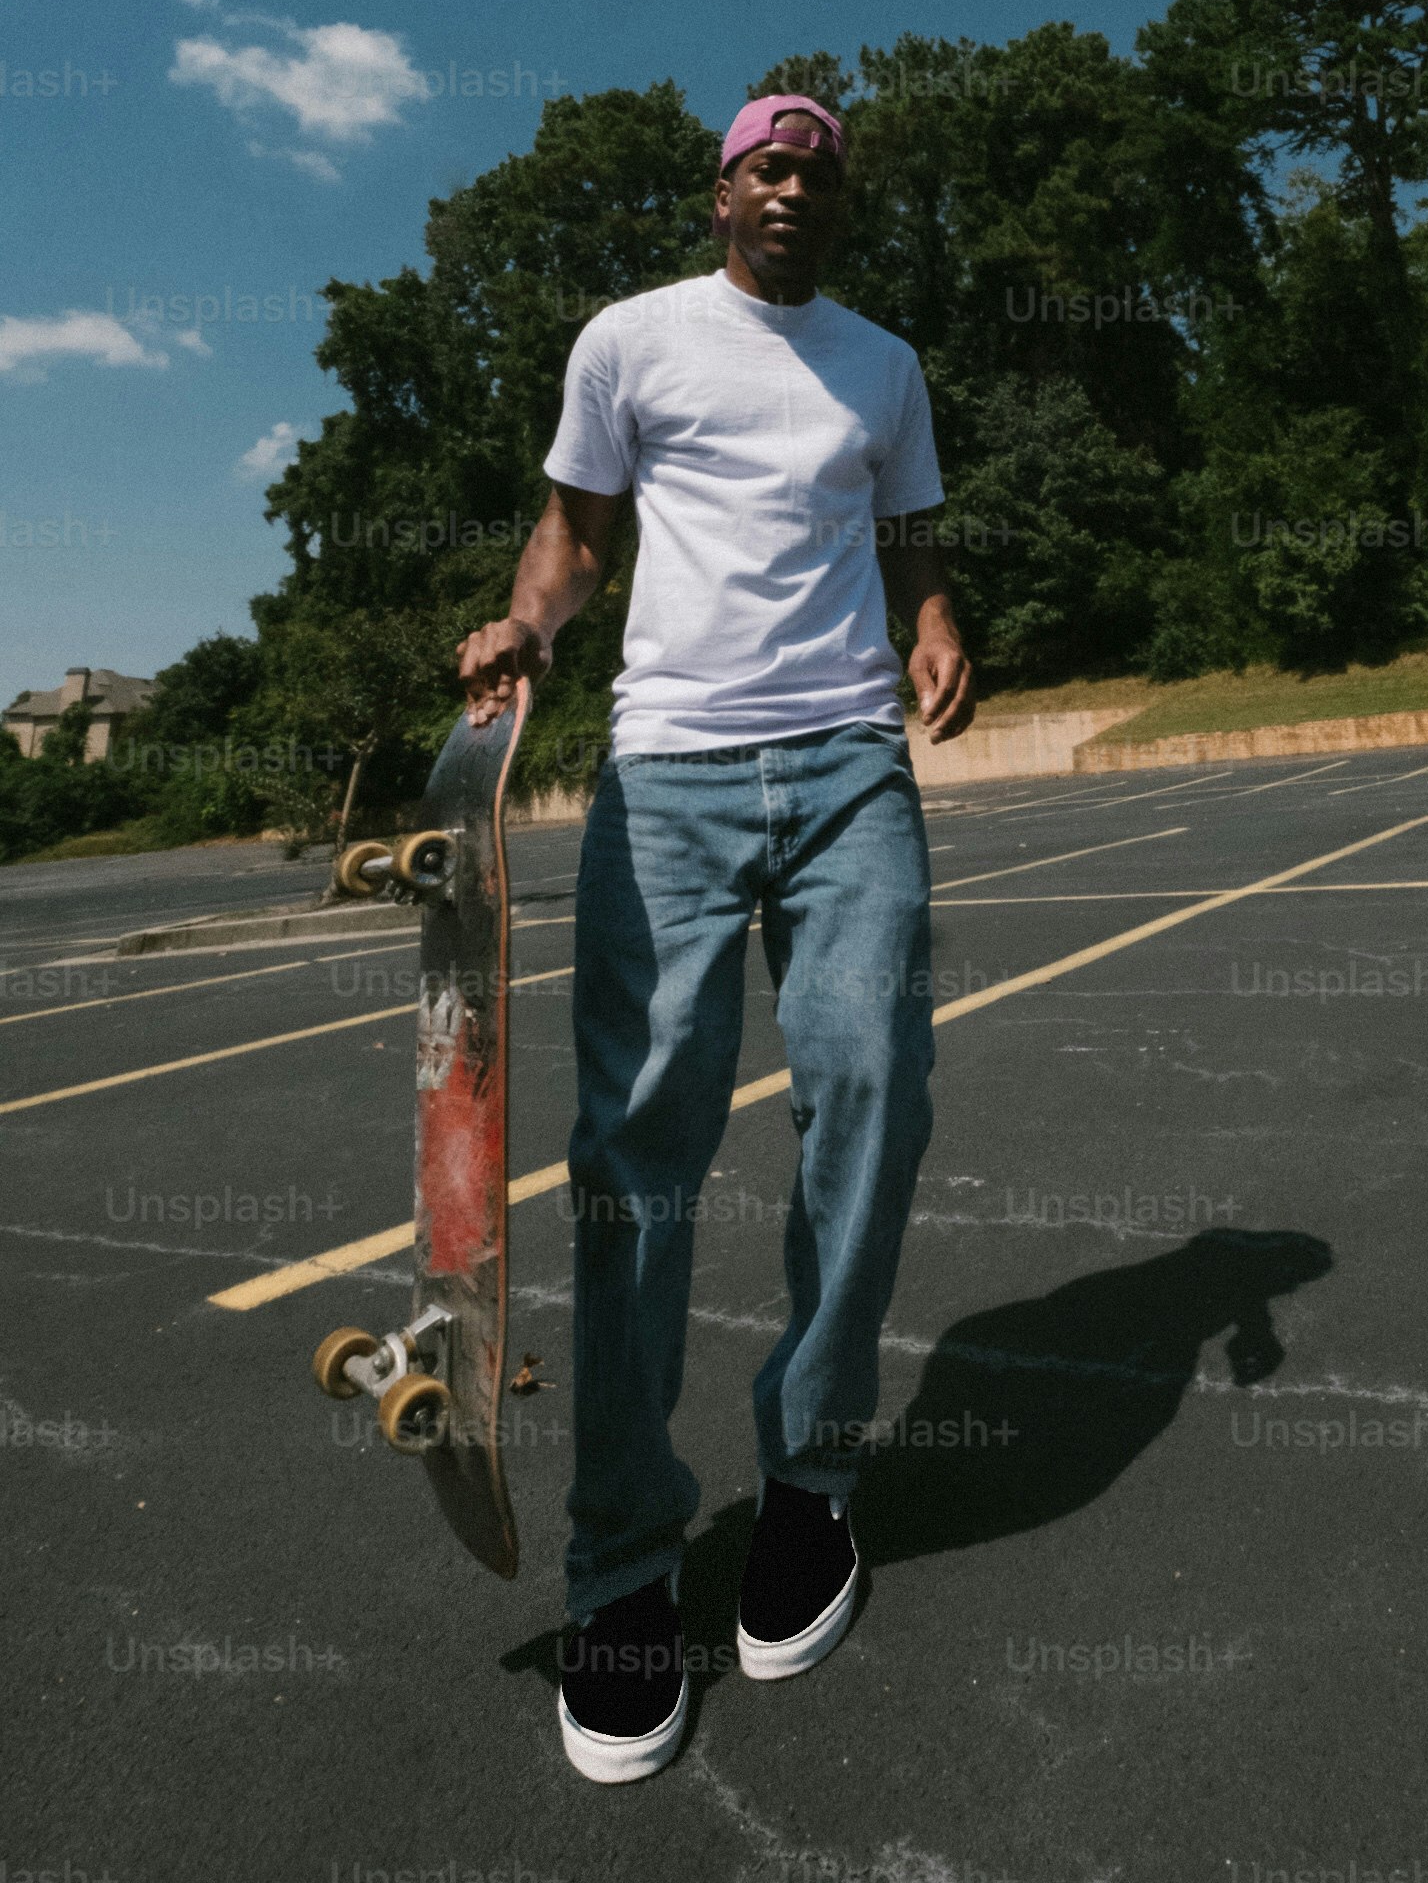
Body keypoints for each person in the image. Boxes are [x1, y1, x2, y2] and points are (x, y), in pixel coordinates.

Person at [456, 91, 975, 1783]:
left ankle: (809, 1483)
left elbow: (908, 534)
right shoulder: (630, 342)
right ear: (719, 197)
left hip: (849, 774)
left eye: (820, 171)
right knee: (639, 1154)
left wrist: (938, 622)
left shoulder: (883, 366)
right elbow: (575, 535)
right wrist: (528, 625)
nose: (794, 187)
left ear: (839, 205)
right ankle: (622, 1565)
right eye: (768, 164)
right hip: (667, 776)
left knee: (873, 1087)